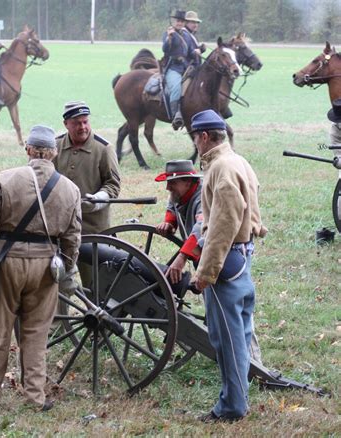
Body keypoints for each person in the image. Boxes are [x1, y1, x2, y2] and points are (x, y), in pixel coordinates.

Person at [0, 125, 82, 410]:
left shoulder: (8, 179)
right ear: (54, 153)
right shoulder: (71, 190)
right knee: (36, 335)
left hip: (8, 263)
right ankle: (35, 398)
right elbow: (72, 238)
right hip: (46, 267)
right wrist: (64, 268)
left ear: (29, 150)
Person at [190, 109, 267, 422]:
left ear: (205, 136)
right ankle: (239, 396)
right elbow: (252, 204)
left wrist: (205, 274)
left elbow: (223, 225)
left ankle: (232, 406)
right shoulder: (238, 160)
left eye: (196, 137)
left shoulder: (220, 168)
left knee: (228, 340)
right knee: (241, 331)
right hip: (243, 254)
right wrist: (256, 229)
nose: (195, 143)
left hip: (227, 258)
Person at [154, 160, 264, 365]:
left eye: (173, 183)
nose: (168, 187)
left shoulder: (202, 195)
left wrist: (181, 257)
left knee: (234, 310)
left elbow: (201, 227)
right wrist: (169, 222)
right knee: (213, 307)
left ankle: (253, 361)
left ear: (188, 182)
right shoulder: (180, 193)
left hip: (221, 256)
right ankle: (224, 353)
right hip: (202, 257)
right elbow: (173, 205)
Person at [54, 101, 121, 235]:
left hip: (93, 228)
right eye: (76, 123)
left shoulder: (104, 148)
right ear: (66, 124)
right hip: (60, 225)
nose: (82, 127)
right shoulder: (55, 145)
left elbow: (113, 184)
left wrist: (97, 200)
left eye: (85, 122)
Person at [162, 10, 206, 130]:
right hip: (173, 67)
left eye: (182, 21)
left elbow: (190, 51)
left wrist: (198, 50)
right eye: (178, 21)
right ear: (174, 22)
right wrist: (169, 38)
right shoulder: (168, 33)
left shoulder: (186, 35)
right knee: (176, 88)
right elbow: (165, 49)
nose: (180, 23)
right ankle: (176, 115)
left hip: (186, 67)